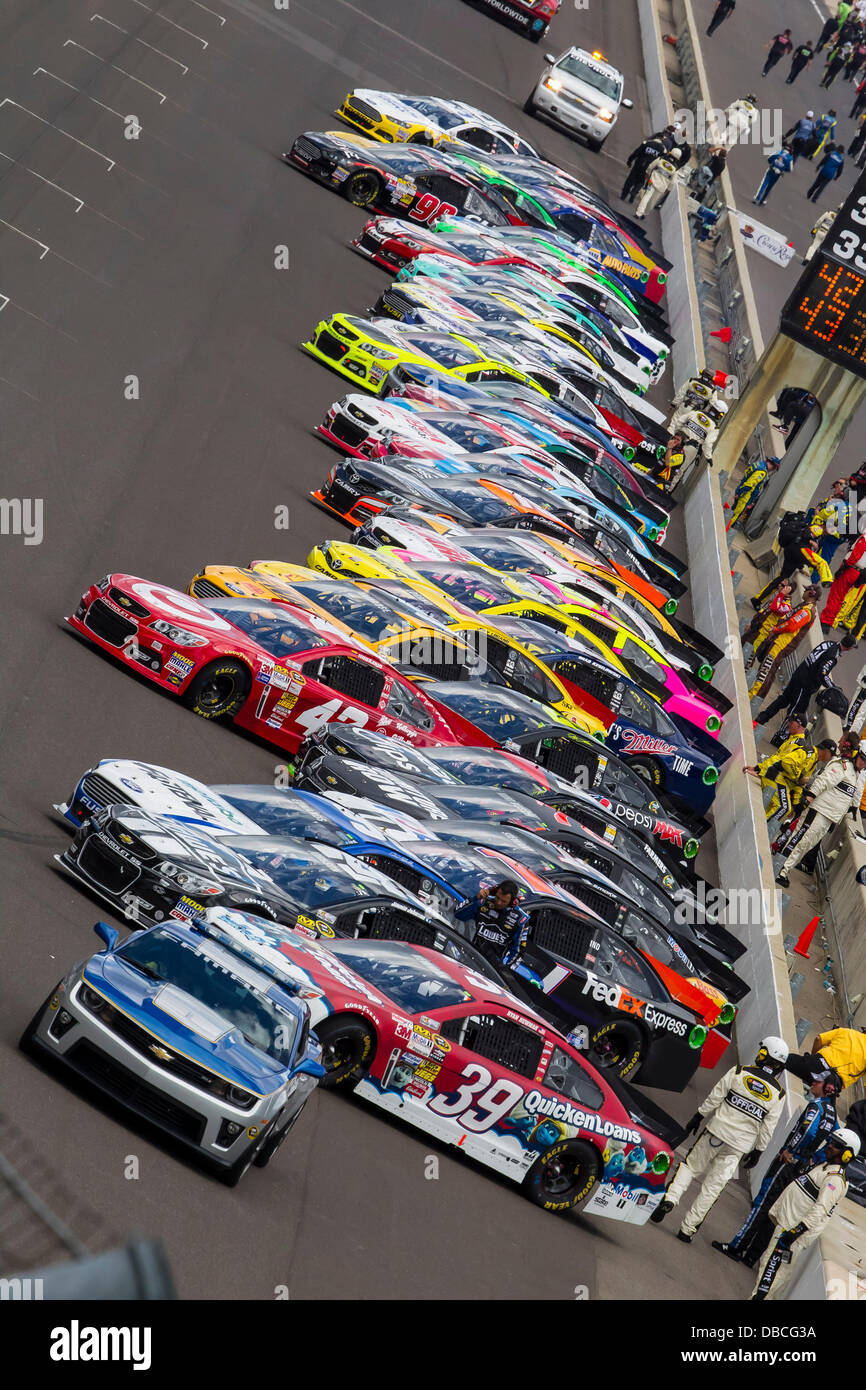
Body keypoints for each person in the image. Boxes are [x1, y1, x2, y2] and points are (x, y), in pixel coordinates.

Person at [649, 1037, 788, 1242]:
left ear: (764, 1054)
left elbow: (716, 1096)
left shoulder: (740, 1072)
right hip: (738, 1147)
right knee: (713, 1187)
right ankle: (687, 1230)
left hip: (715, 1132)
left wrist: (698, 1116)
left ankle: (670, 1198)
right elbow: (768, 1127)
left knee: (689, 1167)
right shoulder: (779, 1094)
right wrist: (758, 1151)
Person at [712, 1069, 842, 1267]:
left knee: (763, 1203)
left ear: (827, 1088)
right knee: (775, 1210)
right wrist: (812, 1160)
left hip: (788, 1164)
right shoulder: (834, 1117)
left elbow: (807, 1131)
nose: (812, 1083)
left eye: (817, 1082)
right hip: (801, 1169)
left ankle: (736, 1247)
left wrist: (791, 1151)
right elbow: (834, 1142)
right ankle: (751, 1256)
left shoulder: (817, 1107)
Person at [751, 1128, 860, 1299]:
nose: (830, 1145)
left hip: (792, 1234)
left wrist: (796, 1232)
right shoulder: (826, 1167)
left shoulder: (835, 1179)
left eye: (836, 1145)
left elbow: (821, 1209)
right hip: (787, 1226)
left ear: (847, 1154)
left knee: (771, 1277)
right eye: (831, 1141)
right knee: (769, 1273)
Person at [775, 746, 866, 885]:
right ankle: (780, 869)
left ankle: (784, 870)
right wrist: (808, 800)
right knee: (800, 840)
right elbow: (822, 781)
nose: (862, 762)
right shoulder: (844, 767)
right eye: (862, 758)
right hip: (818, 811)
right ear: (857, 754)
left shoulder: (855, 774)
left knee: (806, 845)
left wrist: (839, 817)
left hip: (829, 817)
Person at [755, 634, 858, 725]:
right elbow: (823, 672)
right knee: (797, 711)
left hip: (799, 673)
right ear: (849, 648)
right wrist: (832, 687)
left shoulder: (829, 643)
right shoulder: (833, 655)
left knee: (783, 699)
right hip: (805, 684)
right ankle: (781, 736)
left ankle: (762, 718)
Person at [748, 587, 821, 700]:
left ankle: (753, 696)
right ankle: (754, 694)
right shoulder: (805, 606)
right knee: (765, 668)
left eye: (806, 591)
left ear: (811, 594)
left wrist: (776, 629)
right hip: (779, 641)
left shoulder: (807, 611)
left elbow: (791, 625)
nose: (803, 592)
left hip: (782, 644)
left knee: (766, 670)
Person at [745, 717, 810, 821]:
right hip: (773, 777)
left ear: (798, 725)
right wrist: (758, 768)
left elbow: (780, 762)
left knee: (783, 807)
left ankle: (760, 824)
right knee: (783, 807)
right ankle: (758, 823)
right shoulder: (792, 739)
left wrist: (759, 769)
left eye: (791, 722)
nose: (788, 724)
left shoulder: (798, 743)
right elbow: (776, 758)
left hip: (774, 777)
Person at [455, 878, 530, 967]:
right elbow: (458, 914)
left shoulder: (521, 919)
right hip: (469, 958)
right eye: (497, 897)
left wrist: (504, 970)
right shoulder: (484, 902)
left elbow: (518, 952)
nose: (498, 902)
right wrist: (475, 898)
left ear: (513, 902)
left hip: (492, 968)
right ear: (495, 893)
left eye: (503, 901)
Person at [821, 532, 866, 626]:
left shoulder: (865, 538)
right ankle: (830, 620)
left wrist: (843, 568)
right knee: (840, 597)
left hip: (851, 568)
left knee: (835, 595)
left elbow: (855, 555)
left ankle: (826, 620)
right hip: (857, 571)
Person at [742, 577, 795, 657]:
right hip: (755, 628)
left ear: (788, 589)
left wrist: (781, 594)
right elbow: (763, 612)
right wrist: (751, 623)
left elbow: (774, 608)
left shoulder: (787, 606)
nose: (778, 585)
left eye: (782, 585)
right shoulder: (778, 598)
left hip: (762, 635)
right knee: (738, 647)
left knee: (748, 655)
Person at [726, 456, 779, 528]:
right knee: (736, 514)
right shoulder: (762, 471)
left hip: (742, 490)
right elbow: (750, 484)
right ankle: (725, 528)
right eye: (774, 468)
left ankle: (725, 522)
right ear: (772, 465)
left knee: (733, 511)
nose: (772, 470)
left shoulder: (759, 464)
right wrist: (740, 494)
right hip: (745, 496)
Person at [634, 146, 685, 219]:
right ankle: (645, 213)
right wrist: (668, 189)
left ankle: (638, 213)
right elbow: (673, 182)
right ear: (678, 158)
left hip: (652, 181)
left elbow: (650, 166)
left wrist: (648, 174)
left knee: (646, 196)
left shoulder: (661, 159)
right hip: (662, 187)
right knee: (652, 201)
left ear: (671, 152)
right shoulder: (675, 169)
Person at [621, 132, 667, 203]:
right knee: (641, 181)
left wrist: (630, 160)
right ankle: (634, 192)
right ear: (661, 139)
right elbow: (662, 160)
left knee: (630, 179)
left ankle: (624, 195)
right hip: (648, 168)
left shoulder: (647, 143)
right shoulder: (663, 149)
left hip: (638, 164)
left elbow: (636, 152)